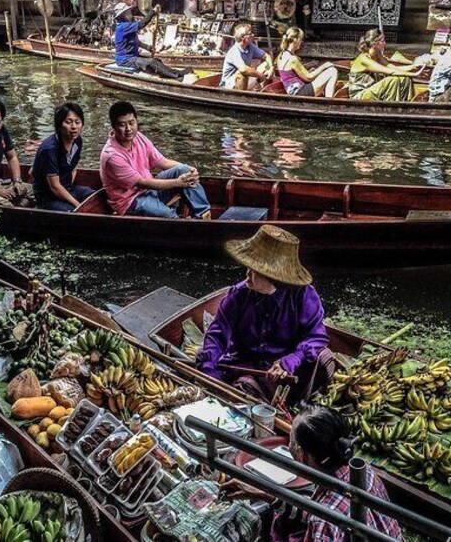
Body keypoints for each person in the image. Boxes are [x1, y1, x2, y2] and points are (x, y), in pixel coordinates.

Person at [196, 225, 335, 405]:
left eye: (254, 271)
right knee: (245, 387)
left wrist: (293, 359)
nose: (247, 275)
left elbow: (316, 336)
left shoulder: (303, 296)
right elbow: (217, 335)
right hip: (249, 367)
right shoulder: (238, 295)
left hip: (289, 369)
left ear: (272, 277)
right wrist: (208, 368)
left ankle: (310, 401)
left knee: (325, 358)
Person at [222, 405, 403, 542]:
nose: (289, 445)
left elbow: (322, 517)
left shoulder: (324, 524)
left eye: (291, 441)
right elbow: (313, 511)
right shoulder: (362, 471)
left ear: (301, 453)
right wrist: (263, 495)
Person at [100, 101, 210, 218]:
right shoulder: (111, 156)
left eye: (131, 123)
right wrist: (177, 183)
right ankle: (183, 224)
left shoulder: (139, 138)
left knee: (184, 169)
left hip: (149, 189)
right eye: (122, 125)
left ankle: (203, 214)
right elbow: (143, 182)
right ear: (114, 126)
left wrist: (191, 170)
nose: (128, 129)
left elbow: (163, 162)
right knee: (168, 215)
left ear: (136, 122)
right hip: (130, 201)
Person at [32, 102, 95, 212]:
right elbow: (55, 187)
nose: (74, 127)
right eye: (68, 122)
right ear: (59, 125)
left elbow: (74, 167)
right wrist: (77, 204)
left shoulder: (77, 141)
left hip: (68, 188)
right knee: (73, 211)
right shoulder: (49, 149)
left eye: (77, 122)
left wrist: (69, 190)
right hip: (48, 196)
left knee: (96, 197)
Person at [112, 2, 191, 80]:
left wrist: (148, 47)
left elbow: (136, 42)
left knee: (157, 61)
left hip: (132, 57)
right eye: (127, 13)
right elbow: (142, 24)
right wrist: (153, 12)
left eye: (129, 13)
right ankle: (177, 75)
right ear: (122, 16)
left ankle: (170, 74)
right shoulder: (123, 27)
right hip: (126, 60)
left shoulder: (127, 26)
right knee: (151, 62)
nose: (130, 15)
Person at [347, 29, 420, 102]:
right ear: (374, 44)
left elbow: (392, 67)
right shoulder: (364, 59)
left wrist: (412, 67)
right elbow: (391, 72)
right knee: (393, 80)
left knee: (406, 79)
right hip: (360, 95)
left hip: (372, 90)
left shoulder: (377, 55)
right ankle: (390, 107)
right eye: (382, 41)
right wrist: (414, 74)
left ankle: (405, 105)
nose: (385, 43)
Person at [278, 27, 338, 97]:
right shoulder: (293, 59)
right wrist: (324, 66)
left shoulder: (280, 55)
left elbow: (290, 74)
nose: (301, 42)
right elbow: (309, 78)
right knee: (332, 71)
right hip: (300, 91)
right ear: (295, 40)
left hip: (293, 91)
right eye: (300, 40)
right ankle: (329, 102)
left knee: (322, 73)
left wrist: (310, 70)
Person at [220, 23, 274, 90]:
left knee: (266, 64)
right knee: (242, 74)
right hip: (229, 85)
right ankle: (242, 97)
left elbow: (266, 56)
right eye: (250, 33)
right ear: (244, 38)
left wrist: (271, 68)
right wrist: (260, 75)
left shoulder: (250, 46)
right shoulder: (234, 51)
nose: (253, 35)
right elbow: (243, 69)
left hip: (245, 80)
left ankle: (261, 89)